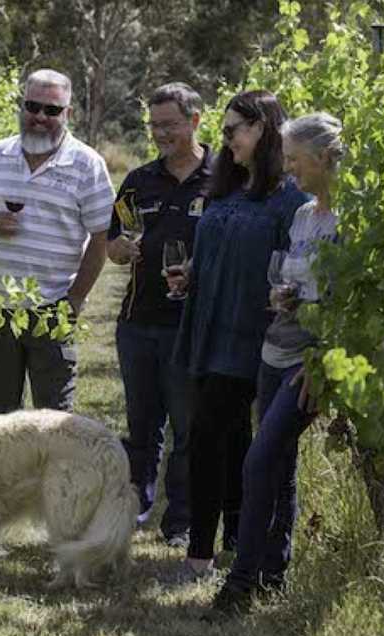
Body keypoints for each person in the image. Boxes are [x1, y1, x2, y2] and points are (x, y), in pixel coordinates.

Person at [167, 90, 311, 580]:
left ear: (263, 130)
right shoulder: (225, 191)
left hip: (258, 337)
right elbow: (218, 251)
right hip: (211, 326)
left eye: (233, 131)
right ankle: (235, 541)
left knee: (210, 436)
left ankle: (201, 556)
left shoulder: (292, 202)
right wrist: (192, 271)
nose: (223, 141)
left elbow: (295, 273)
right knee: (228, 438)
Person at [209, 112, 344, 614]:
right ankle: (272, 574)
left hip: (309, 360)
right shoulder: (304, 216)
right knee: (278, 463)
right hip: (276, 348)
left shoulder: (352, 221)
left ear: (325, 158)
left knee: (259, 458)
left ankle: (239, 582)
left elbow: (354, 303)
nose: (288, 171)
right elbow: (294, 279)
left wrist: (324, 361)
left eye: (294, 160)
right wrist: (284, 296)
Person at [0, 69, 114, 413]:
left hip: (53, 309)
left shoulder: (88, 164)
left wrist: (74, 300)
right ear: (22, 106)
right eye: (32, 106)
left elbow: (102, 237)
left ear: (68, 114)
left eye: (52, 110)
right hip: (1, 309)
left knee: (52, 419)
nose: (40, 117)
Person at [107, 82, 213, 547]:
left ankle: (181, 522)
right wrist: (119, 250)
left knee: (188, 430)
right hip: (137, 323)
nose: (160, 134)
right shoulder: (138, 180)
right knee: (141, 425)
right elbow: (112, 241)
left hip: (191, 327)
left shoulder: (223, 179)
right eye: (153, 126)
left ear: (195, 121)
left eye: (169, 125)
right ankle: (135, 509)